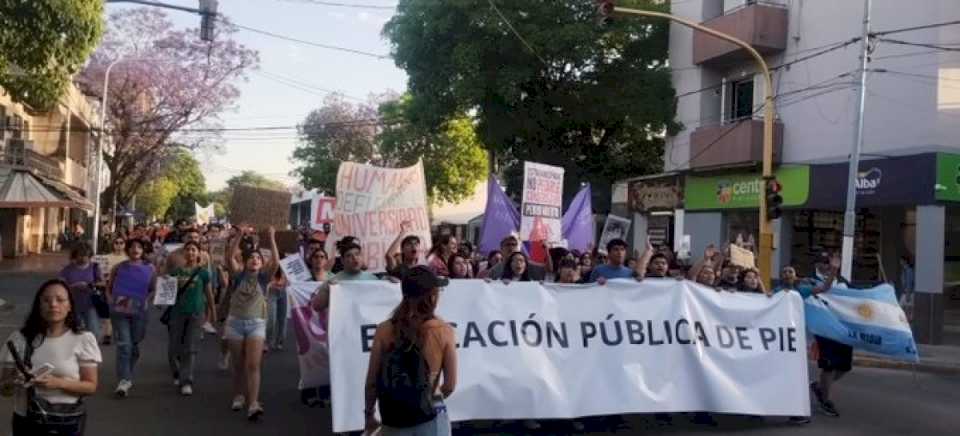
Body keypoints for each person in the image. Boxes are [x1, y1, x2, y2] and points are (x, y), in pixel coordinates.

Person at [363, 266, 457, 436]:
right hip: (430, 421)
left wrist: (369, 415)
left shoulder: (384, 330)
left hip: (394, 420)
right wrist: (425, 400)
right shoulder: (444, 331)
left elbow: (372, 382)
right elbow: (449, 386)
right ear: (432, 295)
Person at [1, 279, 102, 436]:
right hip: (27, 421)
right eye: (46, 300)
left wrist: (58, 383)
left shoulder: (83, 339)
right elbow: (4, 390)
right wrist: (14, 381)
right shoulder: (19, 339)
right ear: (38, 305)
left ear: (69, 306)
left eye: (60, 300)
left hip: (67, 421)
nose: (53, 305)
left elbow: (90, 386)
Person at [224, 226, 280, 420]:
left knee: (253, 364)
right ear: (245, 262)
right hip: (235, 324)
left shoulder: (264, 278)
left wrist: (271, 237)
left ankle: (253, 403)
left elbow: (276, 261)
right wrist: (239, 235)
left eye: (258, 258)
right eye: (251, 258)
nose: (255, 260)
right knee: (238, 365)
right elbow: (229, 258)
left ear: (261, 263)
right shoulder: (238, 276)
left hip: (256, 324)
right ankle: (239, 394)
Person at [106, 238, 157, 398]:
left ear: (143, 250)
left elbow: (153, 289)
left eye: (139, 247)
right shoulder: (119, 267)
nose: (135, 249)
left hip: (139, 311)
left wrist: (147, 301)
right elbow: (109, 286)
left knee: (134, 343)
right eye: (132, 247)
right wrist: (110, 300)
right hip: (119, 311)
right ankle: (124, 380)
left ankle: (127, 370)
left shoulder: (150, 268)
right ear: (127, 250)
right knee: (124, 345)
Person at [167, 240, 215, 396]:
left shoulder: (203, 273)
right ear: (183, 253)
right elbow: (166, 290)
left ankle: (186, 380)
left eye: (194, 250)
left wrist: (212, 311)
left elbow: (208, 294)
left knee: (190, 347)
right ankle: (177, 372)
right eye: (187, 250)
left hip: (196, 312)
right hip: (177, 312)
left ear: (199, 253)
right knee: (174, 347)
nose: (190, 253)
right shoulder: (176, 272)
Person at [806, 253, 850, 418]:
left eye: (828, 262)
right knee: (829, 365)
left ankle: (819, 387)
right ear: (816, 264)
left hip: (843, 329)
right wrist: (833, 270)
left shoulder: (844, 282)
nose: (826, 264)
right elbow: (825, 288)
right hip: (824, 330)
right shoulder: (810, 281)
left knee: (844, 367)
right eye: (823, 262)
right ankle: (825, 400)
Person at [59, 242, 104, 342]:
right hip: (72, 305)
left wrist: (89, 285)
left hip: (90, 303)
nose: (84, 258)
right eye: (81, 255)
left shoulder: (94, 267)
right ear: (75, 255)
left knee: (94, 332)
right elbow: (60, 286)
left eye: (86, 256)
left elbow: (102, 283)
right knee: (74, 333)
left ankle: (90, 351)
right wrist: (72, 286)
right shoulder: (67, 270)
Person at [265, 268, 288, 352]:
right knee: (271, 318)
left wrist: (285, 282)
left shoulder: (286, 260)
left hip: (283, 291)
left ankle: (280, 340)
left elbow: (290, 278)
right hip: (271, 292)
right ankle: (267, 341)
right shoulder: (270, 260)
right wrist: (271, 283)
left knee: (282, 318)